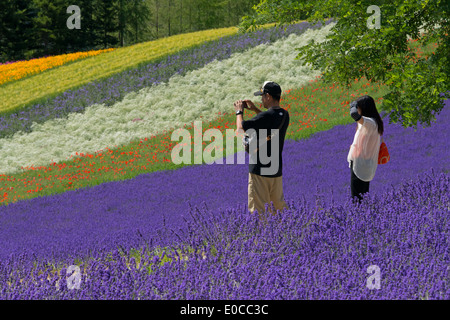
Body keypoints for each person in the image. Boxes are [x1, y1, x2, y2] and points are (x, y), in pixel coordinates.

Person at [234, 81, 290, 216]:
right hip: (276, 171)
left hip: (259, 171)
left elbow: (240, 129)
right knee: (279, 210)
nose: (261, 99)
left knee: (259, 212)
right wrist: (254, 109)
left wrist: (239, 111)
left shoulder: (265, 116)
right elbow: (269, 119)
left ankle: (262, 237)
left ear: (269, 96)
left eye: (263, 96)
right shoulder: (284, 115)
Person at [347, 95, 384, 202]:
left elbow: (353, 114)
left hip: (360, 163)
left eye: (359, 107)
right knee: (363, 195)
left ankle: (359, 216)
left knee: (356, 197)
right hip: (366, 163)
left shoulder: (370, 123)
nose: (358, 110)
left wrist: (353, 105)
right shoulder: (373, 123)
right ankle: (365, 216)